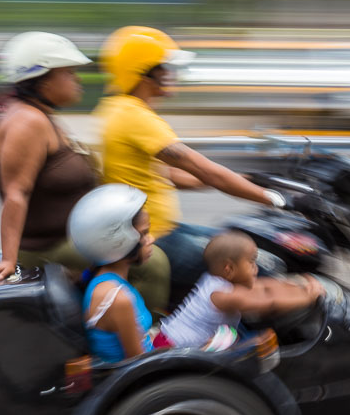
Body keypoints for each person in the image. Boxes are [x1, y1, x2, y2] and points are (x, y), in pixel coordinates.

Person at [0, 32, 170, 314]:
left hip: (71, 237)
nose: (78, 80)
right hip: (49, 246)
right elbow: (16, 193)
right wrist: (8, 259)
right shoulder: (27, 122)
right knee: (153, 264)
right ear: (42, 78)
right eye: (69, 73)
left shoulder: (39, 114)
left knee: (144, 245)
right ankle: (136, 339)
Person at [95, 26, 291, 290]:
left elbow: (170, 175)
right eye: (165, 68)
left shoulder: (116, 109)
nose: (171, 75)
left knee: (244, 241)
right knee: (264, 268)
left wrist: (246, 180)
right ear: (145, 72)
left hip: (163, 229)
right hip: (157, 238)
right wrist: (274, 199)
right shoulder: (134, 117)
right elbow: (203, 168)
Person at [158, 231, 324, 349]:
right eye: (251, 262)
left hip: (169, 339)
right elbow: (268, 303)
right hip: (174, 345)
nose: (255, 267)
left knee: (233, 335)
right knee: (251, 340)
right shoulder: (223, 295)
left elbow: (265, 285)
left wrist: (299, 285)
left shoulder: (219, 280)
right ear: (229, 268)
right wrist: (310, 297)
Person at [68, 184, 156, 363]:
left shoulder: (102, 280)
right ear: (119, 240)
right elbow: (140, 362)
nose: (151, 239)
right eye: (144, 233)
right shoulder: (117, 299)